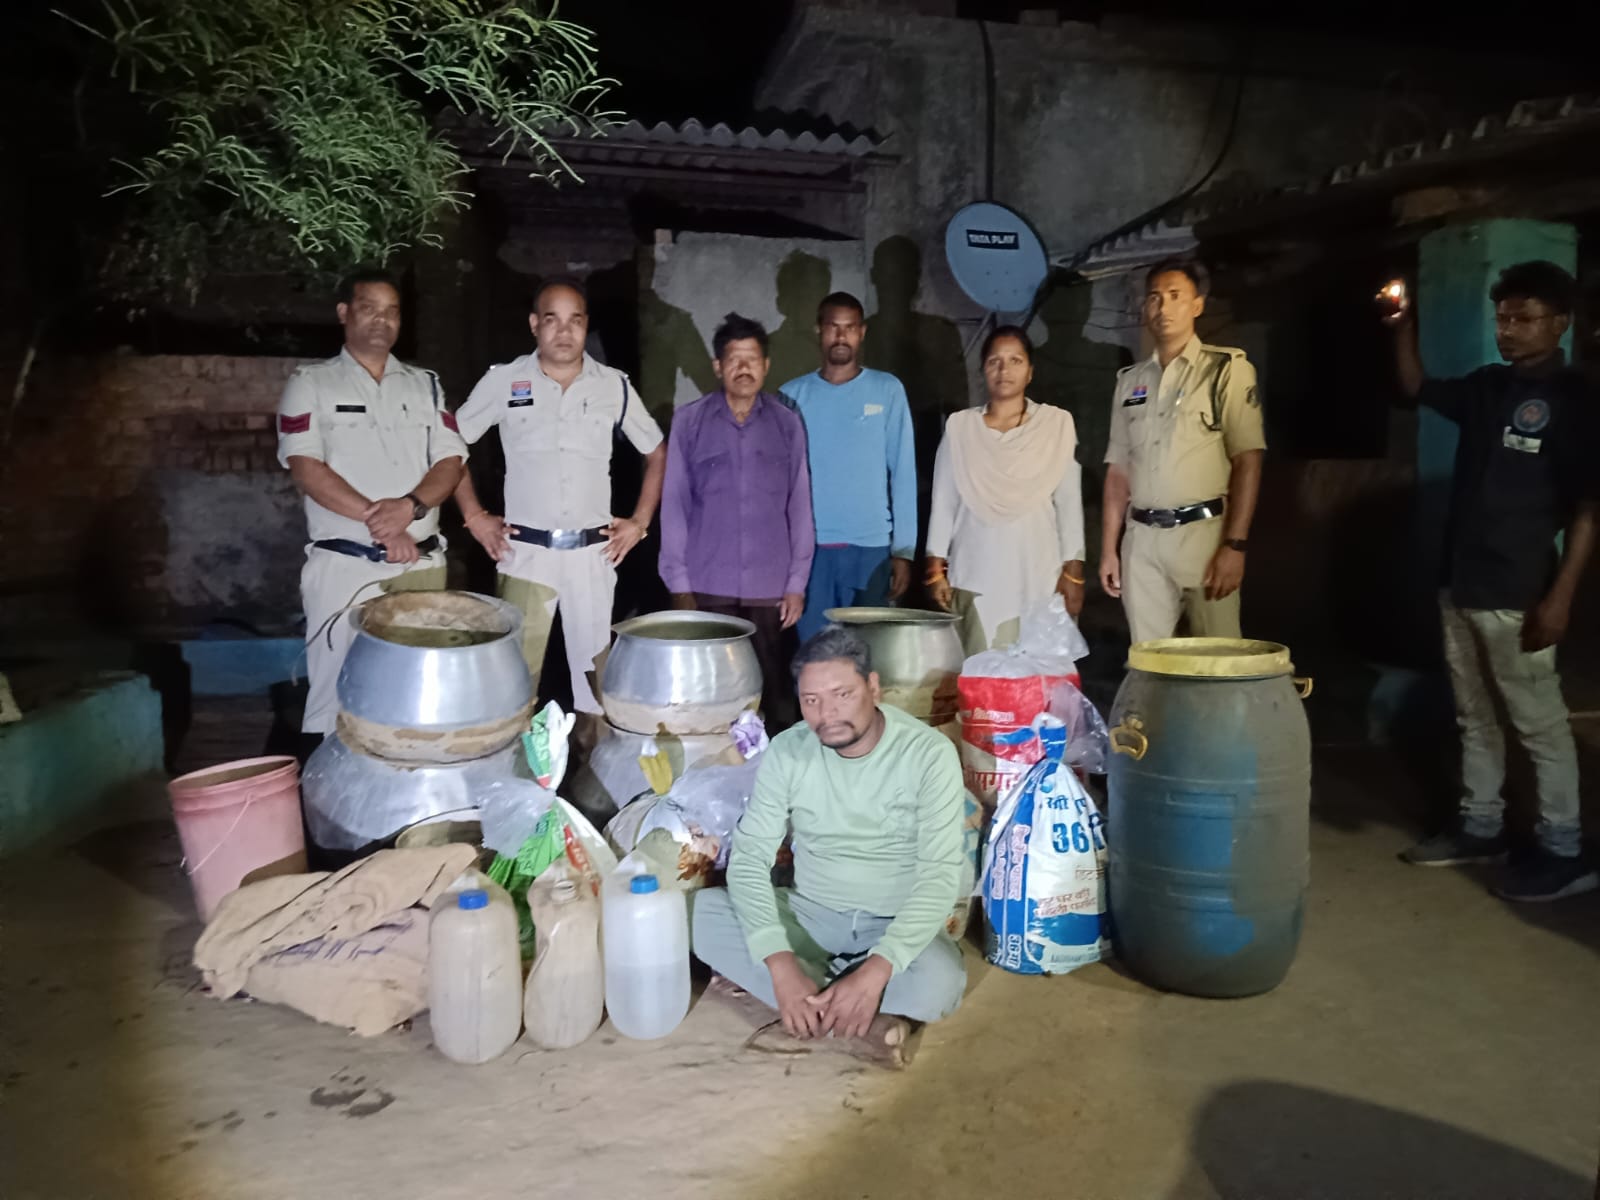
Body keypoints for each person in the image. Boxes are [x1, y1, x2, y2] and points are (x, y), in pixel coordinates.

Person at [1385, 260, 1598, 902]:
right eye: (1502, 318)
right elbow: (1415, 386)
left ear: (1560, 323)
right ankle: (1482, 826)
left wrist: (1560, 597)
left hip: (1519, 589)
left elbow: (1589, 508)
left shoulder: (1576, 399)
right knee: (1474, 715)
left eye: (1524, 318)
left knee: (1539, 723)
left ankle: (1565, 848)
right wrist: (1402, 324)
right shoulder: (1486, 387)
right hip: (1461, 581)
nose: (1508, 330)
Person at [691, 626, 968, 1048]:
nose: (827, 714)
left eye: (842, 694)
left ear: (873, 687)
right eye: (811, 700)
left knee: (941, 983)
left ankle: (822, 999)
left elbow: (939, 877)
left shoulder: (928, 754)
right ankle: (858, 1013)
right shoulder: (789, 751)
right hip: (811, 915)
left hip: (891, 921)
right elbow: (749, 858)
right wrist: (781, 964)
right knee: (697, 914)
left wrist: (878, 968)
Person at [451, 278, 666, 724]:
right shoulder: (505, 381)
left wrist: (640, 522)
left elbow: (656, 452)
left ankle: (592, 760)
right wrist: (474, 515)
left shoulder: (613, 385)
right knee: (515, 683)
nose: (564, 332)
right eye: (552, 320)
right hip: (525, 553)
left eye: (575, 321)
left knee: (595, 688)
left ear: (586, 326)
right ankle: (519, 767)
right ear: (535, 324)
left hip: (592, 554)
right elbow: (450, 446)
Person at [277, 267, 467, 736]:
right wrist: (379, 522)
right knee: (338, 703)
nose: (382, 321)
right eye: (369, 309)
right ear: (344, 313)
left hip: (421, 569)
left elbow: (451, 462)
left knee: (417, 702)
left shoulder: (425, 384)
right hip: (346, 570)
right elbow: (305, 467)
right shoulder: (311, 383)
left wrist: (411, 508)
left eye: (392, 312)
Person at [660, 313, 814, 728]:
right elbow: (674, 503)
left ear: (766, 365)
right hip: (707, 587)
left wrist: (796, 584)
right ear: (718, 366)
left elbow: (800, 505)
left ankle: (772, 766)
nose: (744, 368)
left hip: (769, 590)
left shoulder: (786, 423)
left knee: (772, 696)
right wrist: (679, 585)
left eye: (752, 359)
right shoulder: (689, 421)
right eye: (734, 359)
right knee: (707, 699)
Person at [1099, 258, 1265, 643]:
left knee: (1217, 660)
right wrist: (1109, 549)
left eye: (1176, 296)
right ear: (1146, 309)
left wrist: (1235, 546)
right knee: (1150, 660)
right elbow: (1118, 471)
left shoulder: (1225, 370)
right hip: (1142, 542)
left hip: (1204, 537)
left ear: (1197, 305)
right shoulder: (1130, 383)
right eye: (1155, 298)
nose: (1164, 307)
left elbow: (1248, 460)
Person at [923, 325, 1085, 654]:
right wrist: (935, 570)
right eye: (994, 361)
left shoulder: (1055, 425)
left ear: (1030, 372)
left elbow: (1069, 504)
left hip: (1038, 570)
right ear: (983, 370)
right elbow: (943, 502)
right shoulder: (961, 428)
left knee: (1036, 669)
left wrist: (1074, 572)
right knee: (980, 667)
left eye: (1015, 361)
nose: (1004, 370)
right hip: (975, 568)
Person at [778, 292, 918, 640]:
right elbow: (779, 482)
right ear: (818, 330)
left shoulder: (887, 390)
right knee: (815, 652)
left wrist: (903, 551)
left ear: (862, 332)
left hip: (871, 549)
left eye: (850, 328)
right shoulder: (791, 396)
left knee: (867, 652)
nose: (841, 336)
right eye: (833, 327)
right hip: (810, 551)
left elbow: (903, 473)